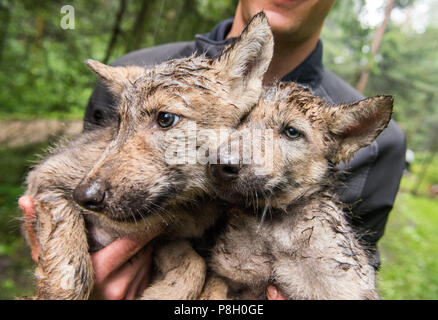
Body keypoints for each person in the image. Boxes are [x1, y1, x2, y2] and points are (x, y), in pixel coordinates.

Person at [19, 0, 406, 300]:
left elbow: (348, 265)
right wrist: (67, 271)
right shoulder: (133, 74)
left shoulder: (378, 145)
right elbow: (70, 202)